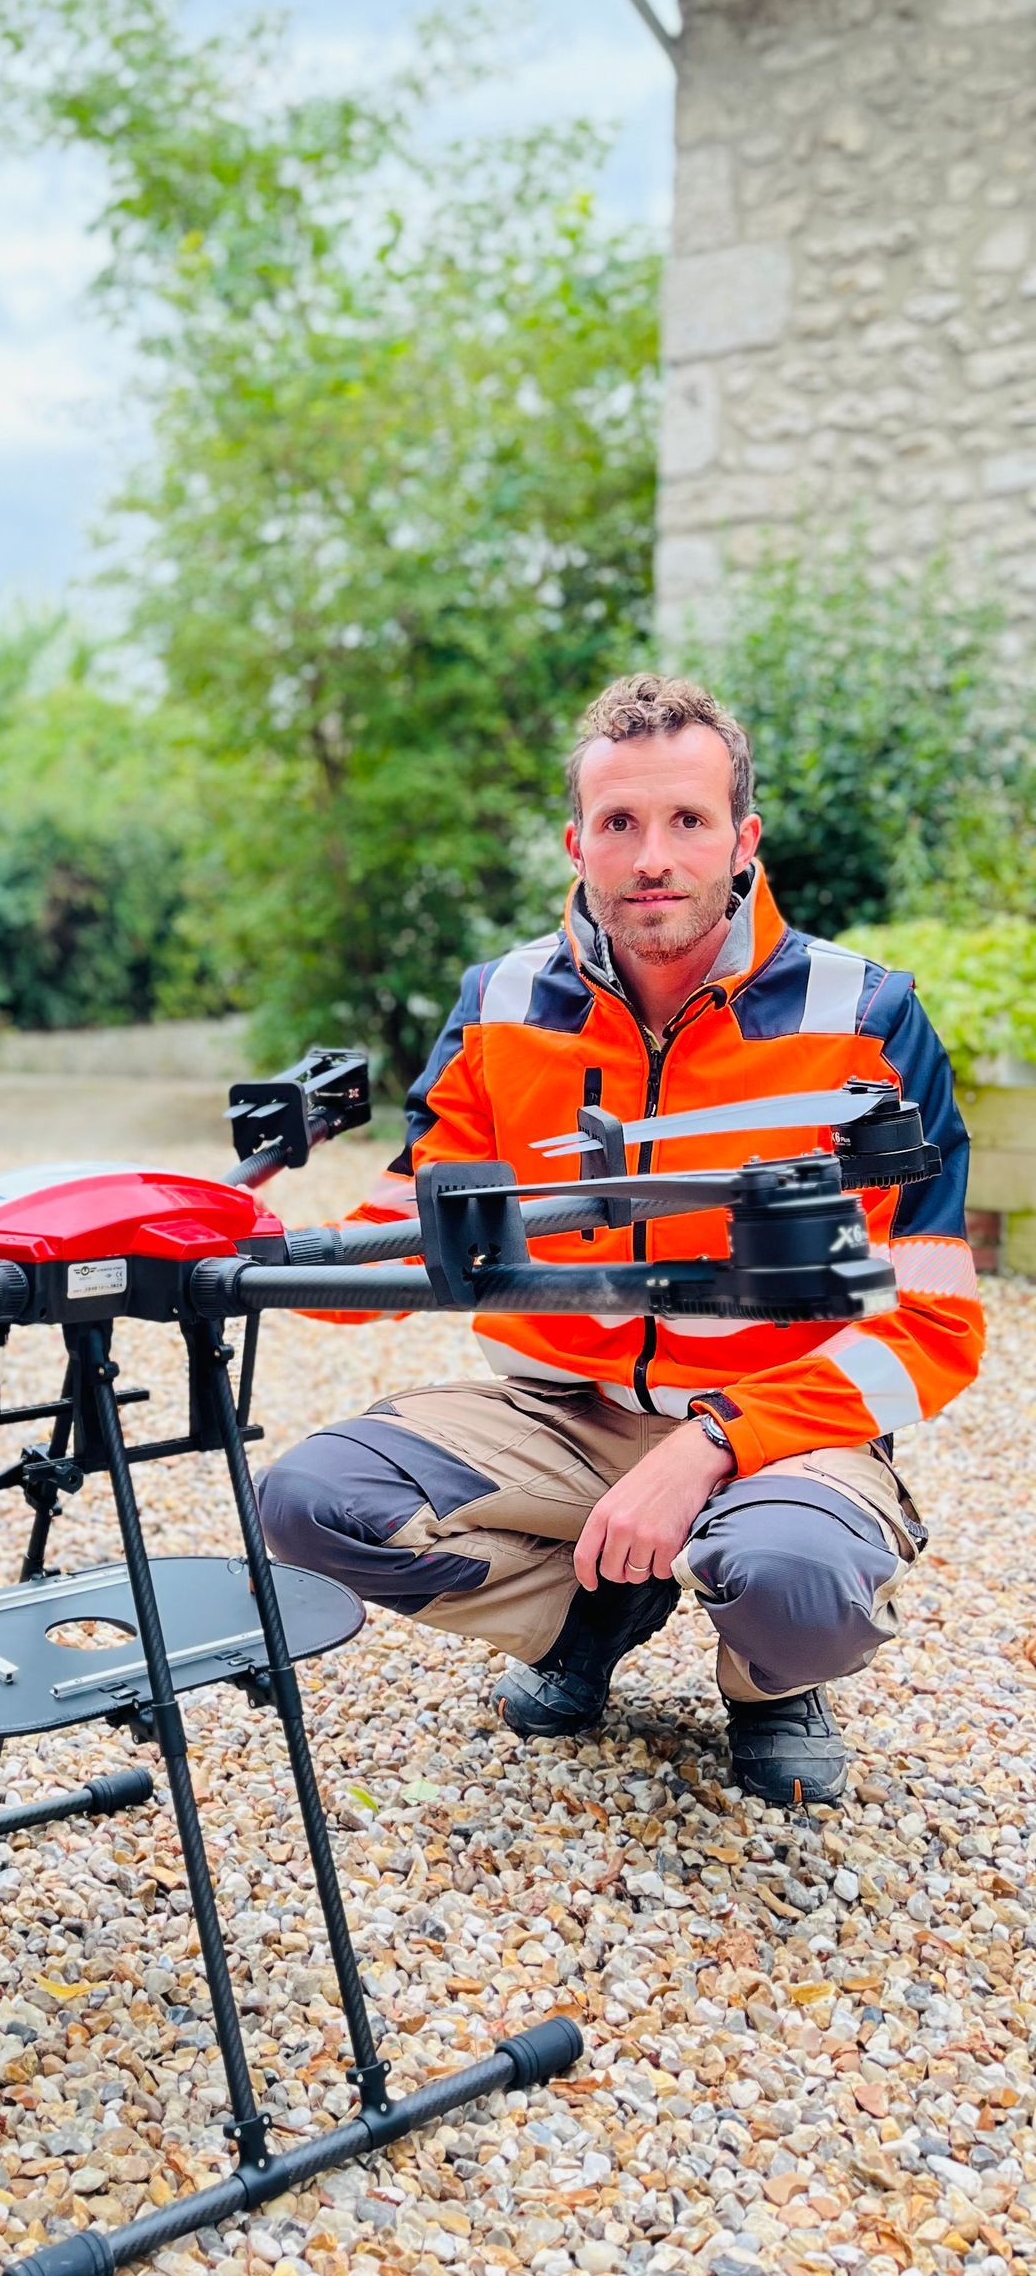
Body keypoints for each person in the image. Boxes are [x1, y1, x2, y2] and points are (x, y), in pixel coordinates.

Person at [256, 673, 984, 1806]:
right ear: (578, 843)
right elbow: (410, 1233)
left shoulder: (865, 1016)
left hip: (784, 1429)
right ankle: (592, 1617)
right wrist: (249, 1243)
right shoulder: (500, 1003)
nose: (653, 857)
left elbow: (934, 1322)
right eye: (619, 823)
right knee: (309, 1501)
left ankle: (772, 1680)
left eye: (688, 820)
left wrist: (712, 1445)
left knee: (796, 1582)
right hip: (560, 1414)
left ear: (743, 840)